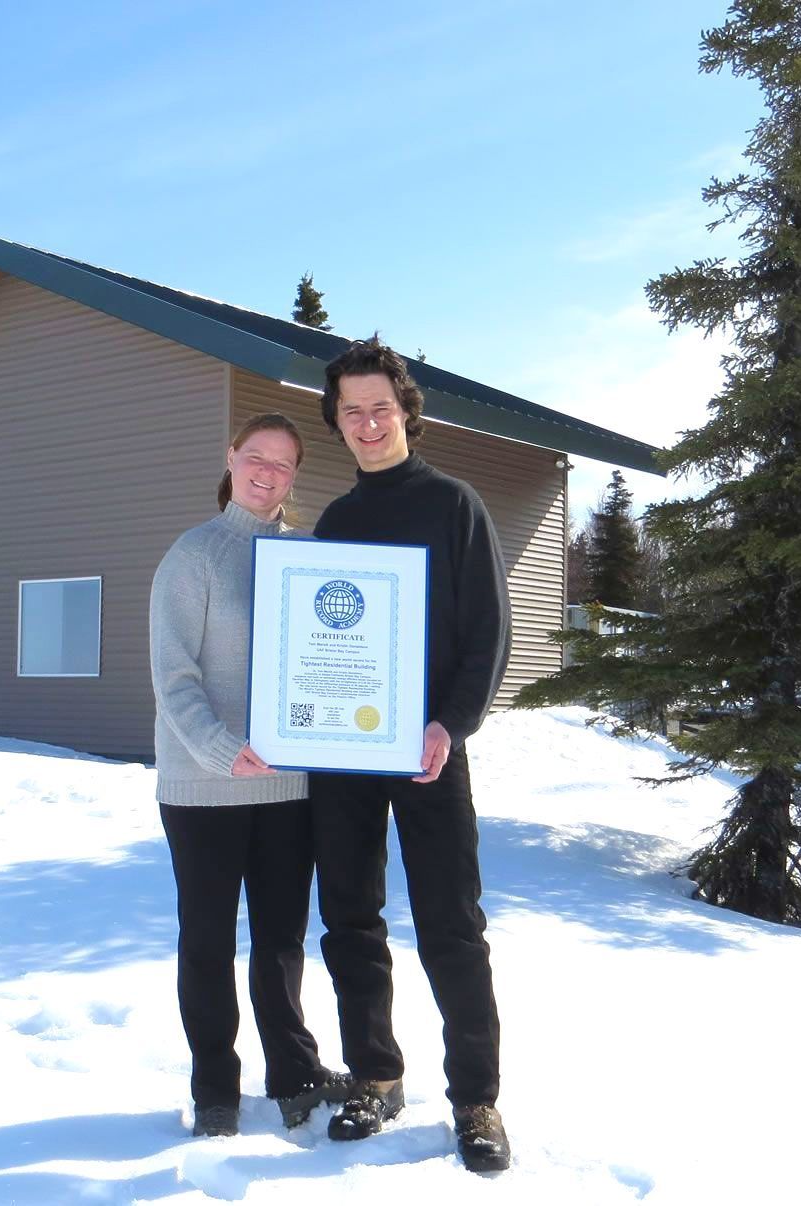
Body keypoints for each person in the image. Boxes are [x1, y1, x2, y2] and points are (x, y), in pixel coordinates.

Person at [308, 338, 513, 1173]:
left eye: (378, 408)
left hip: (428, 751)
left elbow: (488, 634)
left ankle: (477, 1098)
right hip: (344, 754)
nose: (365, 423)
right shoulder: (337, 521)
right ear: (338, 421)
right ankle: (375, 1075)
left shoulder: (453, 505)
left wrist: (449, 725)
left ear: (406, 414)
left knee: (451, 927)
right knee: (350, 918)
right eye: (350, 410)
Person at [148, 412, 349, 1138]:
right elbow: (173, 678)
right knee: (206, 939)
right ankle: (215, 1092)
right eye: (256, 458)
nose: (268, 473)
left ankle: (294, 1075)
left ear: (295, 476)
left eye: (284, 464)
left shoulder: (309, 559)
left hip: (287, 786)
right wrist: (219, 747)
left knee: (282, 939)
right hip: (204, 786)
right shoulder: (194, 555)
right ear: (231, 459)